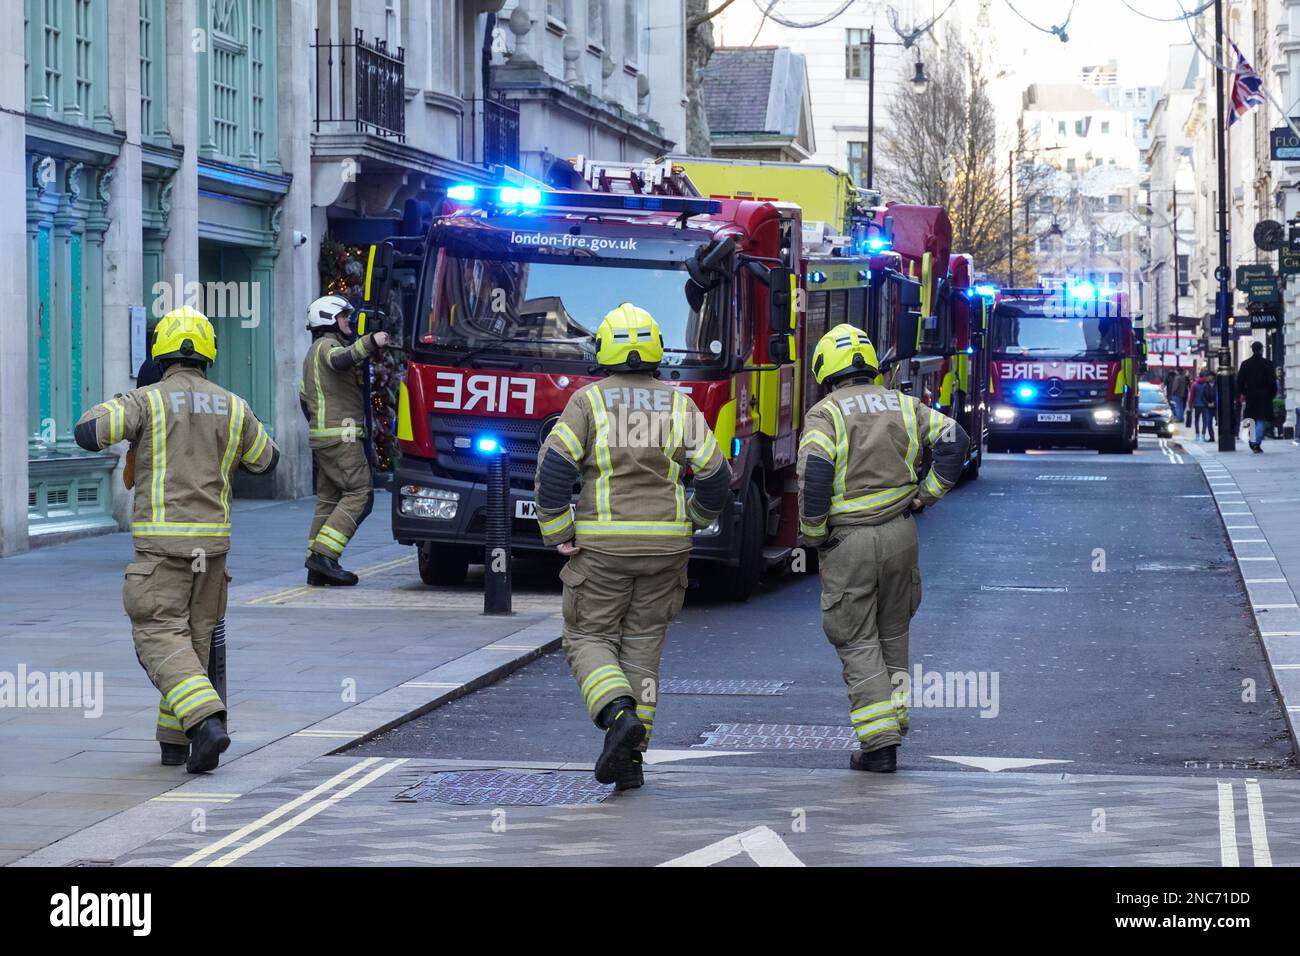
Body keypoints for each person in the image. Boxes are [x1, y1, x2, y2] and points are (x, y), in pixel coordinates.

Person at [534, 303, 732, 791]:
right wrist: (696, 519)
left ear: (603, 350)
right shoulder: (678, 403)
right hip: (667, 550)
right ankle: (630, 761)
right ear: (655, 352)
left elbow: (554, 469)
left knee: (587, 637)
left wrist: (559, 532)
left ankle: (617, 716)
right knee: (643, 650)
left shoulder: (588, 402)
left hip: (602, 548)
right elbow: (715, 475)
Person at [74, 307, 280, 772]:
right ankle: (176, 743)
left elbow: (88, 432)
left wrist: (123, 400)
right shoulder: (234, 405)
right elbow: (267, 460)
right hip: (214, 550)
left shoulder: (147, 401)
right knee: (193, 642)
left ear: (160, 353)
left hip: (162, 549)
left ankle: (206, 722)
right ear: (209, 354)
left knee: (159, 637)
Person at [797, 324, 969, 773]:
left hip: (849, 539)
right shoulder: (904, 404)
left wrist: (813, 535)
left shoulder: (824, 414)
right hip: (901, 534)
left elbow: (815, 477)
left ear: (825, 370)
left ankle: (879, 743)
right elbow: (957, 442)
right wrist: (926, 493)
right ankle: (894, 721)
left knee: (855, 639)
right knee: (893, 633)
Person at [300, 294, 390, 585]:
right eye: (343, 316)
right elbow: (341, 360)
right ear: (327, 319)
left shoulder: (311, 354)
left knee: (328, 500)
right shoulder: (328, 346)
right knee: (359, 494)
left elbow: (304, 400)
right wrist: (371, 342)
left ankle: (317, 565)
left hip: (326, 438)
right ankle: (324, 555)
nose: (348, 321)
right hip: (342, 437)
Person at [1237, 341, 1277, 453]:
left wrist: (1243, 392)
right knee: (1260, 419)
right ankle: (1256, 442)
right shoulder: (1268, 364)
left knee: (1251, 419)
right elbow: (1272, 381)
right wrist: (1272, 393)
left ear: (1252, 349)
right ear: (1261, 350)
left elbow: (1240, 381)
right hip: (1264, 395)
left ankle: (1253, 440)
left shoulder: (1245, 364)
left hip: (1251, 395)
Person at [1192, 369, 1216, 442]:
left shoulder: (1217, 385)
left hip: (1215, 407)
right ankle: (1211, 437)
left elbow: (1219, 396)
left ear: (1213, 377)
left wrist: (1214, 403)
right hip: (1207, 406)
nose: (1208, 378)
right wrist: (1207, 403)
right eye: (1207, 376)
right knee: (1208, 422)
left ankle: (1200, 435)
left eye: (1209, 376)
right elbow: (1203, 396)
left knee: (1217, 422)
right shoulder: (1205, 386)